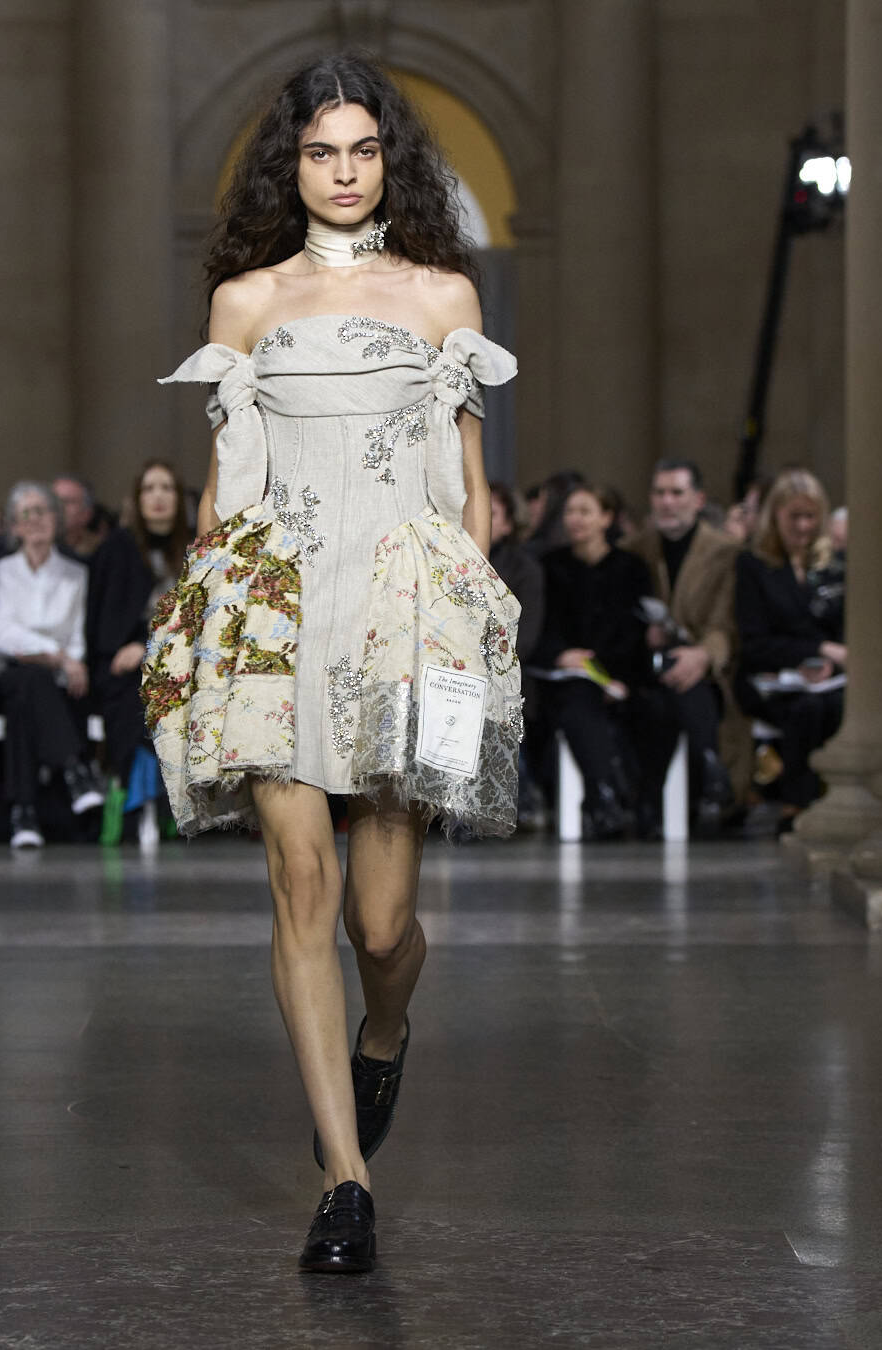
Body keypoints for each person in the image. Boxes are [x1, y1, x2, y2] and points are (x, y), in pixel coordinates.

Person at [142, 53, 521, 1273]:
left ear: (388, 159)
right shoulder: (245, 305)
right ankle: (345, 1183)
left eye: (363, 150)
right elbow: (225, 493)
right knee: (302, 887)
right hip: (278, 614)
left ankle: (385, 1033)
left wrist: (465, 642)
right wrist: (205, 626)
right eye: (321, 152)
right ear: (289, 165)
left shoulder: (445, 297)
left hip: (401, 619)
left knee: (381, 923)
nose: (345, 173)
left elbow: (472, 496)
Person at [531, 483, 652, 839]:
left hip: (622, 675)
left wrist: (616, 676)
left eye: (585, 511)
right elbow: (539, 625)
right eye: (570, 511)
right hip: (565, 677)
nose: (575, 519)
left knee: (646, 712)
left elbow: (636, 631)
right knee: (577, 701)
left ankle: (619, 798)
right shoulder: (550, 566)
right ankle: (604, 794)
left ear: (606, 518)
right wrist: (561, 655)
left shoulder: (631, 568)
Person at [625, 459, 739, 836]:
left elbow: (727, 620)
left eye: (677, 492)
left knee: (684, 691)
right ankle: (708, 767)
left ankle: (656, 803)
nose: (667, 502)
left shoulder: (726, 552)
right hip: (647, 664)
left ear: (698, 499)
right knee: (663, 701)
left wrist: (704, 655)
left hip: (708, 665)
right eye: (659, 493)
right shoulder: (636, 549)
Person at [0, 482, 104, 848]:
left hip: (54, 682)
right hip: (7, 672)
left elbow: (78, 637)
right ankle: (74, 769)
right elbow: (2, 634)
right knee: (27, 679)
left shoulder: (76, 574)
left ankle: (23, 813)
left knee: (26, 699)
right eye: (26, 513)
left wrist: (64, 660)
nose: (35, 519)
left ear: (56, 519)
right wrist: (57, 655)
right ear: (14, 525)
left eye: (43, 511)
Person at [735, 468, 845, 832]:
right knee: (805, 709)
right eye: (793, 516)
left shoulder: (834, 566)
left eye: (810, 516)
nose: (802, 526)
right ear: (775, 515)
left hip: (828, 677)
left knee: (837, 705)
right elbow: (754, 641)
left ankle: (832, 801)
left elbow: (843, 632)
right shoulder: (754, 566)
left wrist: (829, 663)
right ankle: (796, 806)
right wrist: (814, 651)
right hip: (769, 676)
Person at [87, 460, 188, 807]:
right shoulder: (117, 549)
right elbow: (106, 628)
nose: (158, 496)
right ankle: (137, 802)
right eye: (149, 488)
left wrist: (151, 649)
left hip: (185, 662)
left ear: (180, 498)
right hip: (128, 670)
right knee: (135, 700)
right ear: (137, 498)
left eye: (167, 488)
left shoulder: (195, 548)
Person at [489, 482, 544, 827]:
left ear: (509, 523)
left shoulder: (524, 568)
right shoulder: (447, 561)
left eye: (491, 513)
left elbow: (527, 637)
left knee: (499, 699)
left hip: (510, 674)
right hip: (454, 671)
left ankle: (517, 794)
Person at [52, 475, 110, 561]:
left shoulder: (103, 554)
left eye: (66, 502)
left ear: (86, 514)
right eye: (52, 500)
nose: (57, 507)